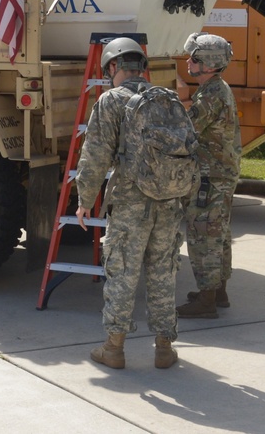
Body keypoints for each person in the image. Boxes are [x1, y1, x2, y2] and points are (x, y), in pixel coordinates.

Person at [75, 37, 187, 370]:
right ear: (142, 67)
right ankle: (164, 348)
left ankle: (114, 349)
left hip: (130, 203)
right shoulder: (169, 100)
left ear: (113, 66)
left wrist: (84, 200)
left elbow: (95, 156)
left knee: (123, 271)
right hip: (169, 200)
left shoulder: (111, 101)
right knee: (163, 271)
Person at [177, 33, 241, 318]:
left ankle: (206, 302)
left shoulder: (212, 94)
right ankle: (218, 292)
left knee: (204, 238)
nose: (189, 62)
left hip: (210, 177)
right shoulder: (216, 88)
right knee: (220, 235)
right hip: (219, 175)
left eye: (195, 58)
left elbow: (186, 131)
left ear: (209, 63)